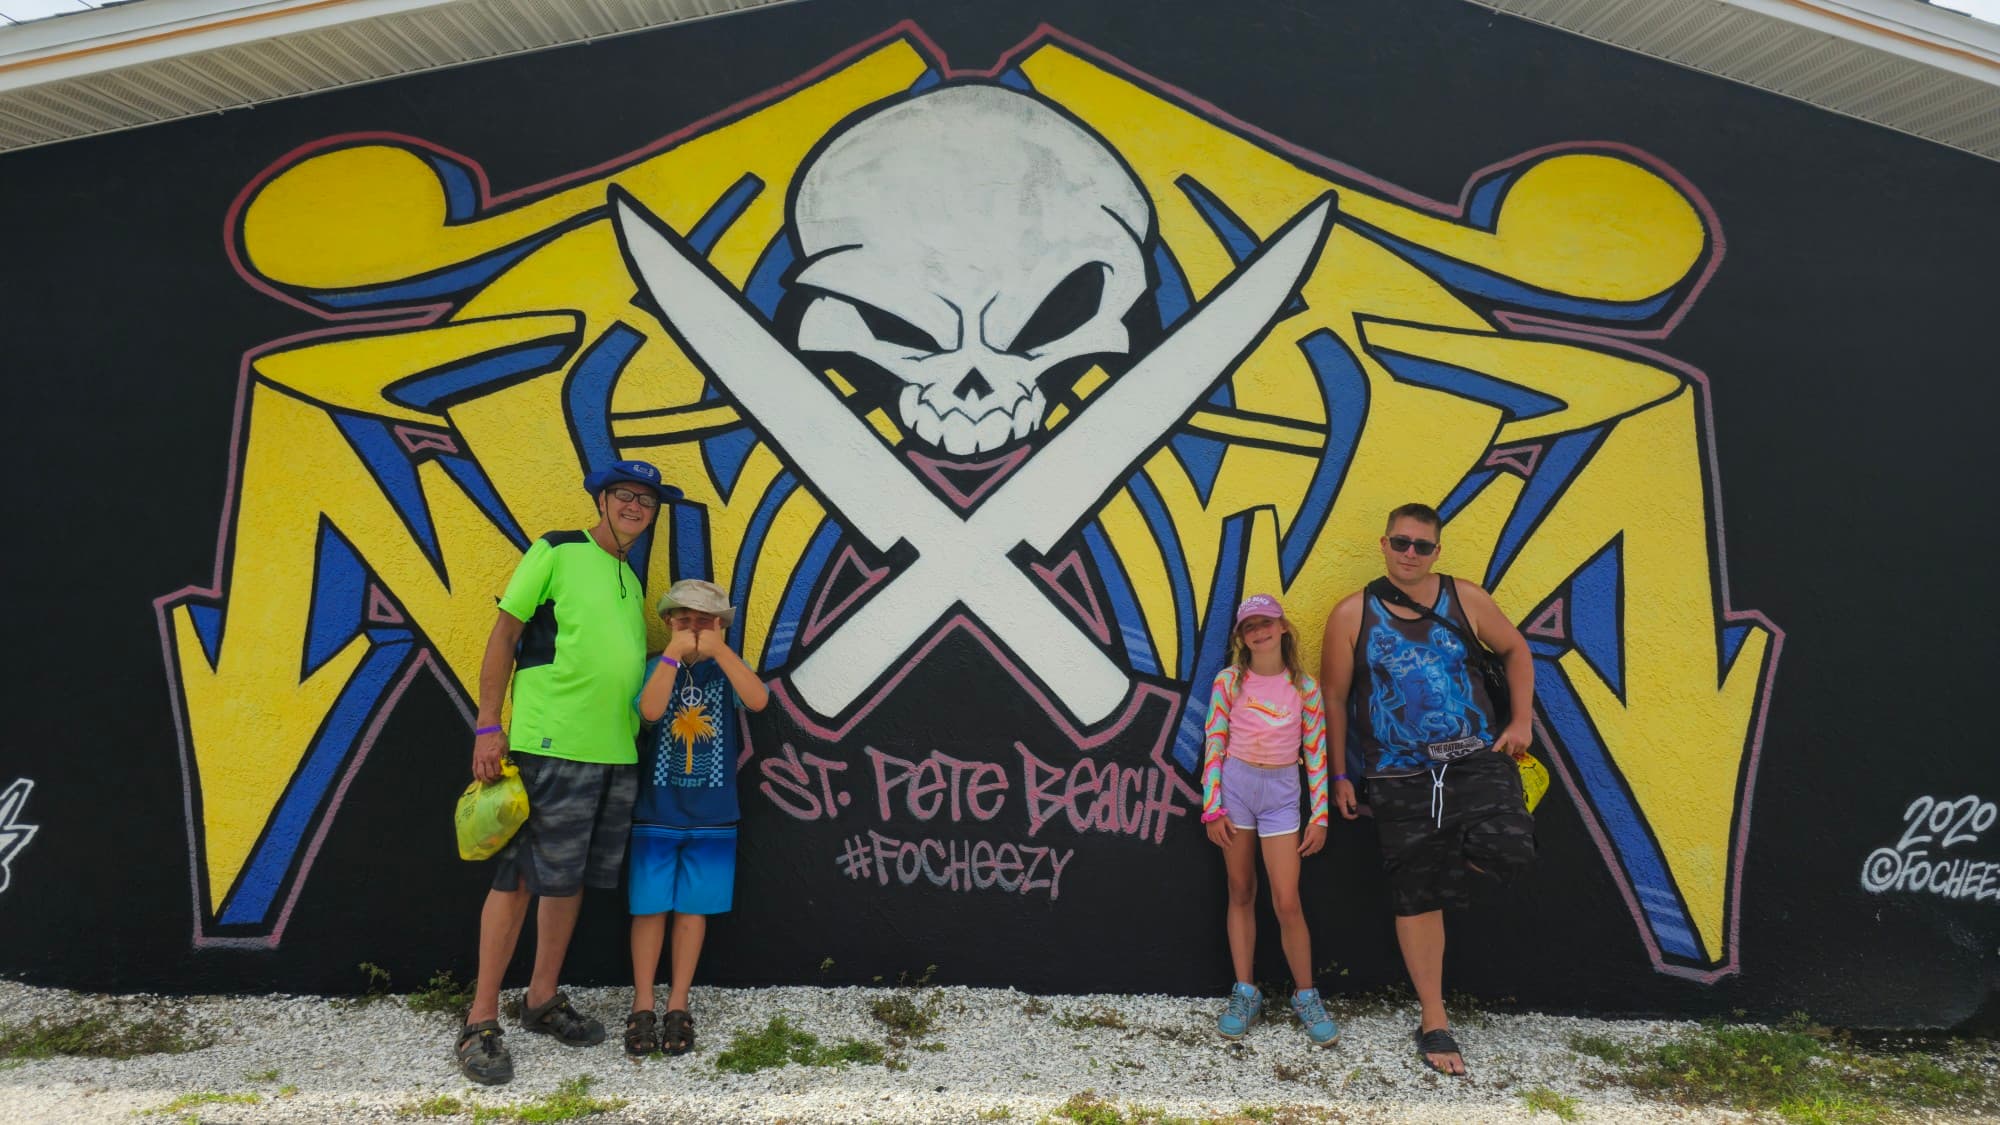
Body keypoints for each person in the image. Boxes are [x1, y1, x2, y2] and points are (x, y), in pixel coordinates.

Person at [454, 459, 679, 1086]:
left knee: (567, 878)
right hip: (550, 743)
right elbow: (504, 635)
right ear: (601, 500)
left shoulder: (632, 582)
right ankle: (479, 1018)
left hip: (614, 752)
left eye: (647, 500)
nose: (636, 506)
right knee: (520, 877)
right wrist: (488, 724)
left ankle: (540, 999)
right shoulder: (556, 549)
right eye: (625, 495)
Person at [1320, 503, 1537, 1076]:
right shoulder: (1351, 615)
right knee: (1415, 895)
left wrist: (1521, 721)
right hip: (1395, 771)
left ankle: (1445, 861)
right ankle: (1434, 1018)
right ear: (1383, 544)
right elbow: (1335, 699)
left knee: (1511, 845)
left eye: (1422, 545)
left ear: (1437, 551)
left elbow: (1516, 649)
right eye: (1400, 542)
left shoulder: (1465, 599)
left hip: (1473, 758)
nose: (1409, 553)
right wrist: (1339, 775)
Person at [624, 579, 770, 1058]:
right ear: (667, 624)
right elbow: (649, 709)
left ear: (722, 626)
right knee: (649, 909)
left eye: (705, 621)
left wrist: (721, 652)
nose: (693, 630)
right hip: (657, 814)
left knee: (693, 910)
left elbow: (759, 699)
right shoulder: (654, 667)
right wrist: (672, 655)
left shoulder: (725, 674)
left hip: (713, 817)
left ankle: (678, 1003)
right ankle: (643, 1003)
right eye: (683, 620)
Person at [1199, 594, 1340, 1047]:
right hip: (1236, 791)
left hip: (1282, 797)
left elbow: (1316, 753)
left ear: (1282, 627)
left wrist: (1319, 816)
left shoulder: (1304, 687)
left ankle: (1306, 995)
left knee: (1287, 900)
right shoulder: (1229, 682)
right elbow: (1214, 741)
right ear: (1241, 637)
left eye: (1266, 623)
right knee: (1240, 890)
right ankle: (1245, 992)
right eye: (1249, 626)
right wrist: (1212, 806)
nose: (1258, 631)